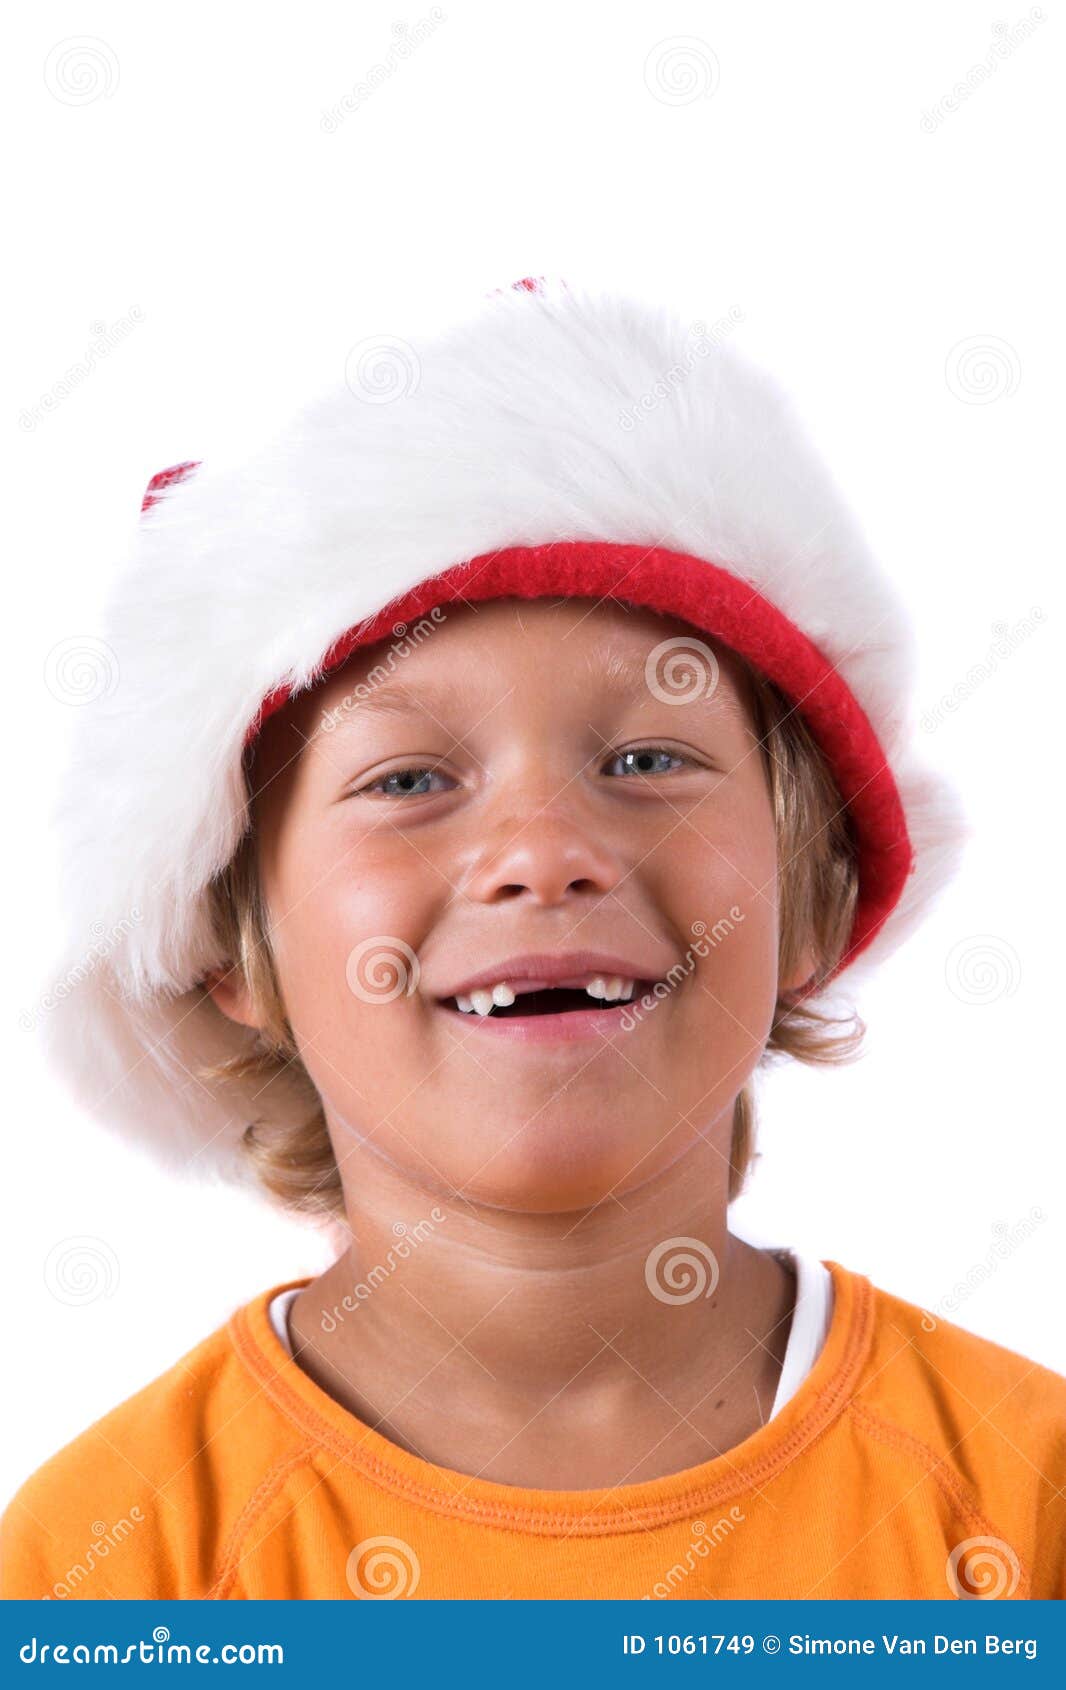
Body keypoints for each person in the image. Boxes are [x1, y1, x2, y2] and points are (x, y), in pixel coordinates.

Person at [3, 278, 1063, 1601]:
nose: (543, 850)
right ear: (230, 948)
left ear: (810, 896)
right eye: (406, 780)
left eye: (647, 758)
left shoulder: (1024, 1508)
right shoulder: (114, 1564)